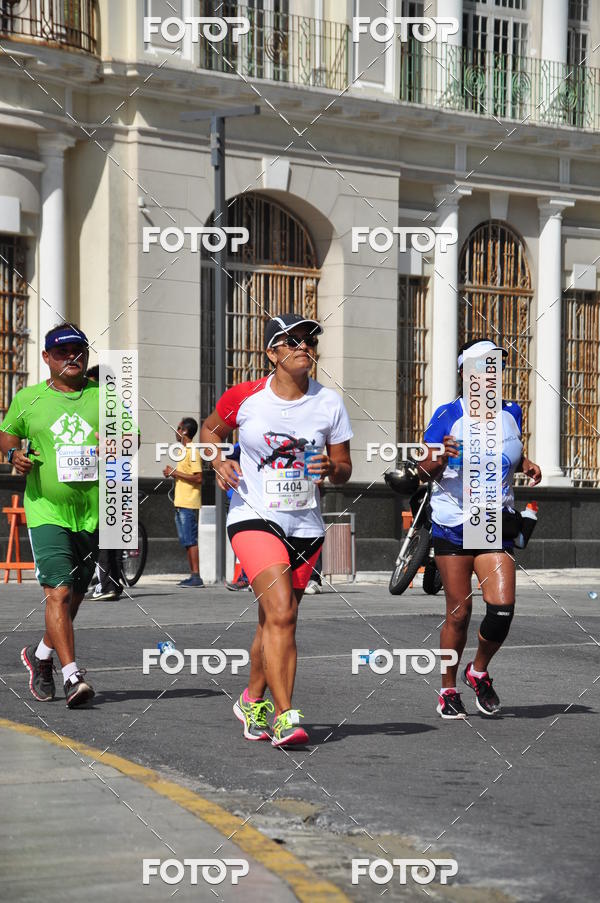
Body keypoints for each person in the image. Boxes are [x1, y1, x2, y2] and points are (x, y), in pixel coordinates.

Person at [200, 313, 353, 747]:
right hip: (252, 514)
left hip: (305, 523)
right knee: (282, 613)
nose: (304, 347)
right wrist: (217, 459)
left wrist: (332, 467)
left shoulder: (329, 403)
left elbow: (344, 468)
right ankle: (287, 716)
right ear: (272, 353)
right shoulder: (245, 397)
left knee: (274, 621)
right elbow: (210, 429)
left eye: (309, 341)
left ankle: (253, 698)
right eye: (292, 341)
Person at [420, 338, 542, 719]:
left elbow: (509, 451)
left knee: (502, 610)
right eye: (481, 368)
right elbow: (423, 469)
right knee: (459, 613)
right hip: (454, 521)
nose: (490, 376)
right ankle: (448, 688)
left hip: (491, 520)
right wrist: (441, 457)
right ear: (464, 374)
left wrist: (526, 464)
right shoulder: (447, 414)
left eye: (495, 368)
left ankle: (478, 670)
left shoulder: (511, 412)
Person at [0, 323, 98, 707]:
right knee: (57, 591)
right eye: (62, 352)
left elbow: (132, 437)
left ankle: (40, 656)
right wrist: (12, 454)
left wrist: (118, 443)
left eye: (78, 350)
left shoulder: (104, 397)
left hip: (92, 514)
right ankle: (73, 675)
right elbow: (7, 434)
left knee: (73, 597)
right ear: (46, 358)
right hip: (46, 510)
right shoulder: (28, 398)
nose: (72, 357)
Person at [85, 364, 123, 601]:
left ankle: (106, 584)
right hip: (118, 479)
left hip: (101, 481)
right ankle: (113, 584)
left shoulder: (100, 408)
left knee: (101, 536)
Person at [163, 417, 204, 587]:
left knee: (190, 539)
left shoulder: (192, 451)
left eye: (178, 428)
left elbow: (199, 477)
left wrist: (174, 473)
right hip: (181, 502)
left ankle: (196, 576)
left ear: (185, 431)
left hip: (188, 502)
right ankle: (193, 575)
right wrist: (173, 473)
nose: (176, 431)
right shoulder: (184, 451)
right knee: (186, 540)